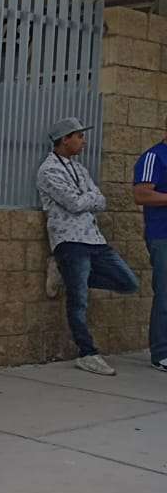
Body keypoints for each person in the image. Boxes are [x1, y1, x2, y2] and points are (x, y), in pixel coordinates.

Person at [36, 116, 139, 376]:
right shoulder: (49, 170)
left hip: (94, 239)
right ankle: (87, 353)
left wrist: (89, 198)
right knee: (79, 300)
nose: (83, 141)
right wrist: (89, 198)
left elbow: (100, 200)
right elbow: (74, 203)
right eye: (79, 136)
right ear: (65, 139)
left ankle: (66, 274)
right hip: (69, 240)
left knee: (128, 282)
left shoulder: (79, 169)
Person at [132, 119, 167, 372]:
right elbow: (141, 194)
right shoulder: (154, 157)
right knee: (165, 294)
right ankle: (161, 354)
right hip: (162, 235)